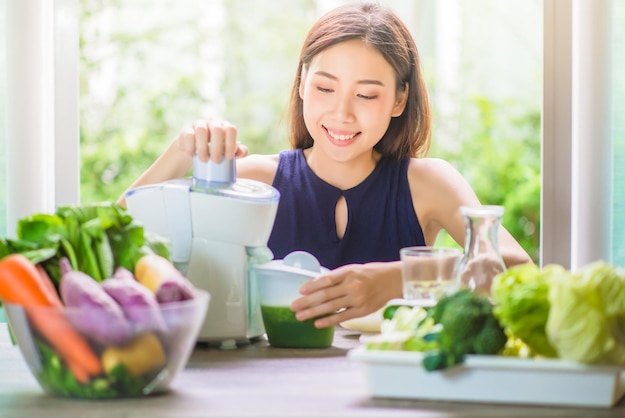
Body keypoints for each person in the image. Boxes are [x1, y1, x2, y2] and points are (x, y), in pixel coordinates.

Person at [118, 1, 532, 329]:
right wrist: (179, 153)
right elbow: (115, 240)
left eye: (366, 96)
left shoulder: (428, 183)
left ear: (399, 100)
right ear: (301, 84)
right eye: (324, 87)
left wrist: (397, 279)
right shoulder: (256, 182)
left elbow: (518, 271)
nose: (341, 113)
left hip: (393, 387)